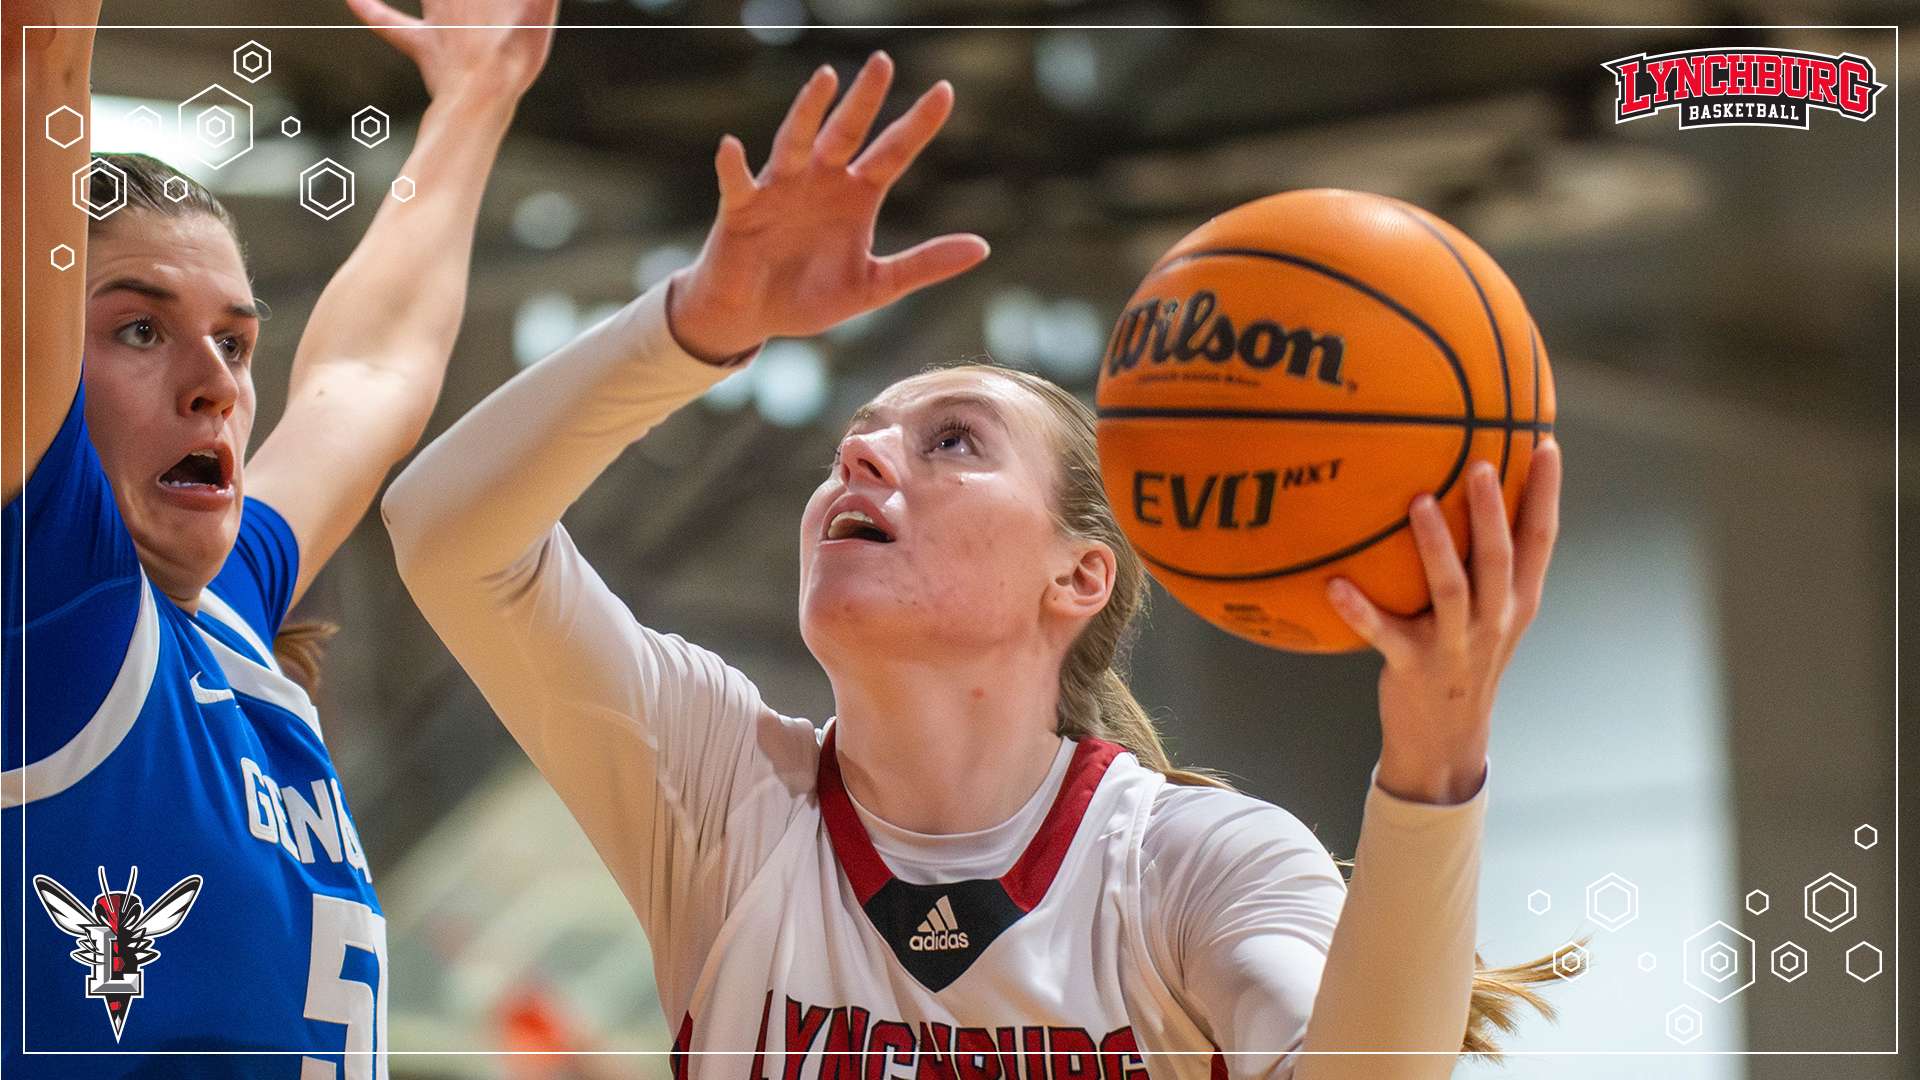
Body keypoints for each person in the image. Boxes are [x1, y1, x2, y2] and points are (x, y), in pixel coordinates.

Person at [383, 52, 1563, 1080]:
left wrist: (1430, 769)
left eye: (951, 441)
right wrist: (695, 319)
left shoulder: (1185, 863)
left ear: (1079, 578)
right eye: (857, 438)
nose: (860, 452)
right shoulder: (728, 799)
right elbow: (447, 537)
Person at [2, 1, 557, 1075]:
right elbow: (39, 66)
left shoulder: (225, 617)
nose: (214, 381)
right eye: (139, 328)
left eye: (238, 341)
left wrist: (475, 100)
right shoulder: (54, 603)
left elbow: (369, 372)